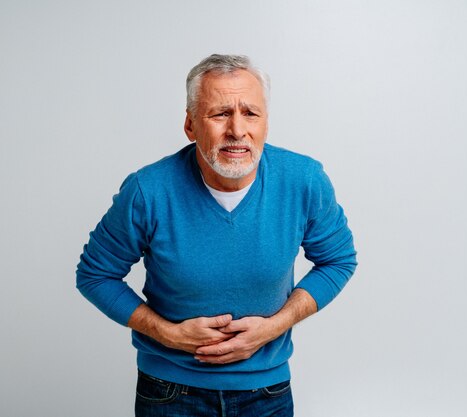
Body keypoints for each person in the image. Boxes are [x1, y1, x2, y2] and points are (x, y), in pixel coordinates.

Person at [76, 54, 357, 416]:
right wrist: (167, 333)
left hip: (267, 393)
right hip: (169, 394)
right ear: (191, 125)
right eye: (220, 113)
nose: (237, 130)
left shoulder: (303, 180)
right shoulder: (148, 191)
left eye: (250, 113)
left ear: (266, 124)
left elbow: (338, 260)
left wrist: (275, 326)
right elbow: (95, 274)